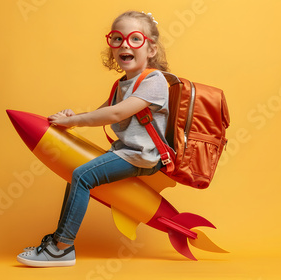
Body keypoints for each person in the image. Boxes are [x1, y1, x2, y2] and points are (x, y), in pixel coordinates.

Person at [17, 10, 170, 267]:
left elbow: (117, 113)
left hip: (142, 156)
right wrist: (72, 116)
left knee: (82, 176)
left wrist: (74, 121)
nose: (125, 45)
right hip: (125, 151)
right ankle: (59, 242)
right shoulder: (123, 83)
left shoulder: (154, 80)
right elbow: (101, 113)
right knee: (77, 174)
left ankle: (61, 247)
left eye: (135, 39)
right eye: (117, 39)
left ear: (151, 49)